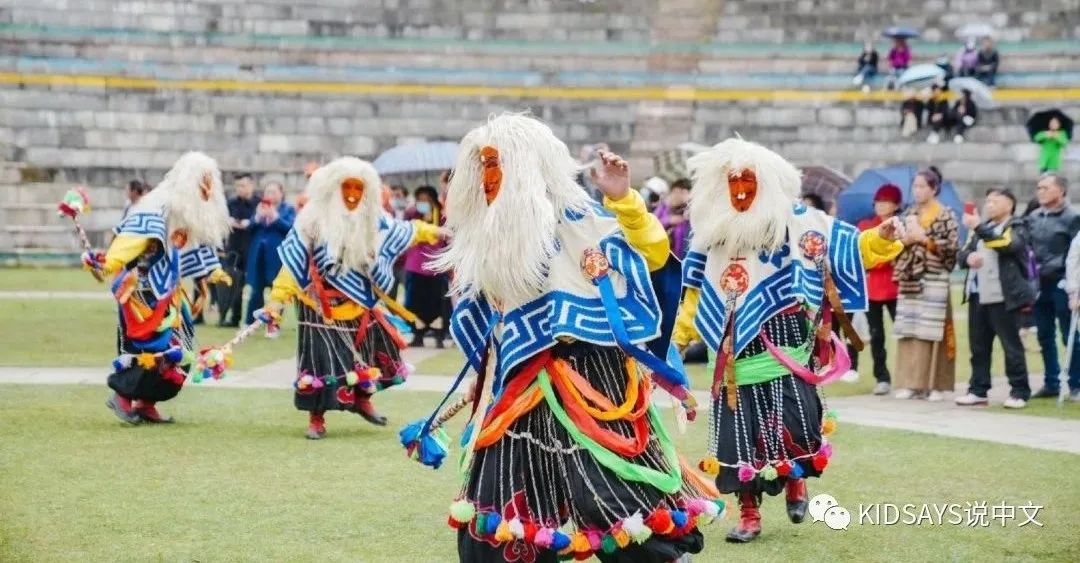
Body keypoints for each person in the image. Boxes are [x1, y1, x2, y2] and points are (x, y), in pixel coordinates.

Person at [424, 114, 711, 562]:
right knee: (502, 502)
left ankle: (660, 554)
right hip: (521, 382)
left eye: (498, 166)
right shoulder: (488, 234)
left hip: (591, 376)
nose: (489, 178)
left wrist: (625, 201)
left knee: (610, 492)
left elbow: (653, 259)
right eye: (484, 168)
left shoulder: (582, 217)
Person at [673, 138, 903, 544]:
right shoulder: (710, 233)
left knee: (795, 424)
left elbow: (851, 247)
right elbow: (694, 294)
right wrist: (678, 338)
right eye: (732, 181)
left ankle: (796, 483)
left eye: (748, 180)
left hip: (784, 342)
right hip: (731, 354)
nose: (740, 190)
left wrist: (882, 237)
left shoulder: (798, 222)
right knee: (737, 435)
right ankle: (749, 515)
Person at [257, 157, 444, 439]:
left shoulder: (373, 219)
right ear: (335, 189)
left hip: (358, 304)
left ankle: (361, 399)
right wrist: (276, 300)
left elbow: (405, 230)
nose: (353, 194)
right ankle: (316, 417)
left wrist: (436, 232)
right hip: (318, 305)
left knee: (365, 354)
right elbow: (292, 263)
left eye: (359, 187)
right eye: (347, 187)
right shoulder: (313, 220)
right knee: (320, 363)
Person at [82, 152, 232, 424]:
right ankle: (123, 397)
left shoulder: (184, 216)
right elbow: (130, 240)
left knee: (180, 348)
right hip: (142, 293)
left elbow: (191, 248)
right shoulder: (155, 209)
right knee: (148, 352)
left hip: (170, 295)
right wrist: (108, 262)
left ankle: (146, 402)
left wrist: (213, 270)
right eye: (202, 180)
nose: (206, 188)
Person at [956, 188, 1035, 408]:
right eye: (987, 201)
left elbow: (1007, 245)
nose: (989, 205)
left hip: (1004, 297)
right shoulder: (982, 228)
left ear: (1009, 204)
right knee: (978, 346)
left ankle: (1019, 391)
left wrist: (978, 227)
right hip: (977, 294)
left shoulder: (1016, 225)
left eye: (995, 201)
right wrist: (968, 257)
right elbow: (961, 253)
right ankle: (978, 389)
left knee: (1011, 346)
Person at [892, 167, 960, 401]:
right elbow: (897, 244)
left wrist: (926, 240)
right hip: (911, 278)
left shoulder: (945, 214)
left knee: (934, 330)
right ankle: (911, 383)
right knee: (910, 329)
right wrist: (906, 239)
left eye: (923, 186)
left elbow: (952, 247)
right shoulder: (909, 212)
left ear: (934, 189)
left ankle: (936, 385)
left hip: (934, 276)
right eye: (916, 186)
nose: (918, 191)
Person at [1028, 174, 1080, 398]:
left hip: (1061, 281)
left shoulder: (1072, 218)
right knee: (1044, 334)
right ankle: (1051, 381)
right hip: (1038, 284)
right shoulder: (1034, 217)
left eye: (1046, 188)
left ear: (1061, 191)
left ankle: (1076, 382)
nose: (1041, 192)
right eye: (1039, 188)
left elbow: (1073, 254)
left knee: (1069, 333)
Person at [857, 183, 903, 395]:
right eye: (878, 202)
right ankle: (882, 377)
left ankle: (907, 376)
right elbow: (865, 257)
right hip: (872, 289)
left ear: (895, 205)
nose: (880, 206)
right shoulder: (866, 225)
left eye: (885, 201)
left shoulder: (901, 226)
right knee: (876, 336)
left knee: (904, 333)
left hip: (896, 287)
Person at [244, 180, 296, 335]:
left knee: (277, 294)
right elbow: (250, 228)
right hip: (259, 255)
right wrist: (258, 217)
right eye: (268, 192)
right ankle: (249, 323)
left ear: (281, 194)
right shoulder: (259, 208)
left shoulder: (288, 209)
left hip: (277, 257)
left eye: (274, 192)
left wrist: (275, 217)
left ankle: (273, 326)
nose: (270, 195)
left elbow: (291, 229)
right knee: (255, 291)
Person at [403, 185, 450, 348]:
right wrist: (419, 214)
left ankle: (438, 336)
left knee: (437, 304)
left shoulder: (442, 217)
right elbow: (405, 230)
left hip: (435, 267)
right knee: (415, 304)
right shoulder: (412, 215)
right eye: (419, 200)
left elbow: (446, 239)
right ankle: (417, 335)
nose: (423, 202)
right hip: (415, 266)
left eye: (426, 199)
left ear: (432, 199)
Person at [218, 173, 258, 327]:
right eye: (237, 186)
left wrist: (250, 223)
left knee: (253, 284)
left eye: (243, 185)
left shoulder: (258, 203)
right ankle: (233, 317)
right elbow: (224, 220)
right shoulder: (231, 203)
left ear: (251, 185)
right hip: (234, 247)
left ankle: (254, 319)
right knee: (232, 282)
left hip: (251, 247)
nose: (240, 189)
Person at [655, 177, 692, 259]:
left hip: (682, 258)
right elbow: (652, 226)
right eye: (675, 192)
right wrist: (669, 220)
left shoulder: (689, 211)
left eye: (682, 193)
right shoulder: (663, 207)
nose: (677, 196)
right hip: (663, 257)